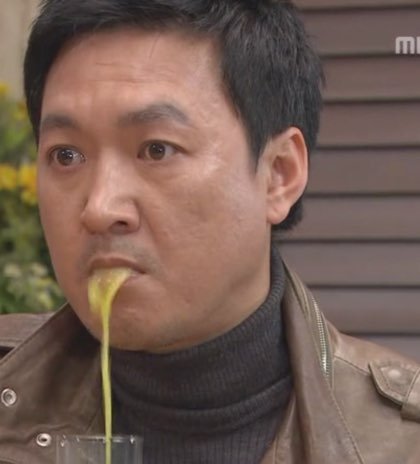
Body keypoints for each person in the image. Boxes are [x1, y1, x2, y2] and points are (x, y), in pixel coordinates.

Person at [0, 0, 419, 463]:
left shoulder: (399, 442)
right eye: (66, 156)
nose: (99, 208)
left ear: (279, 174)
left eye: (157, 150)